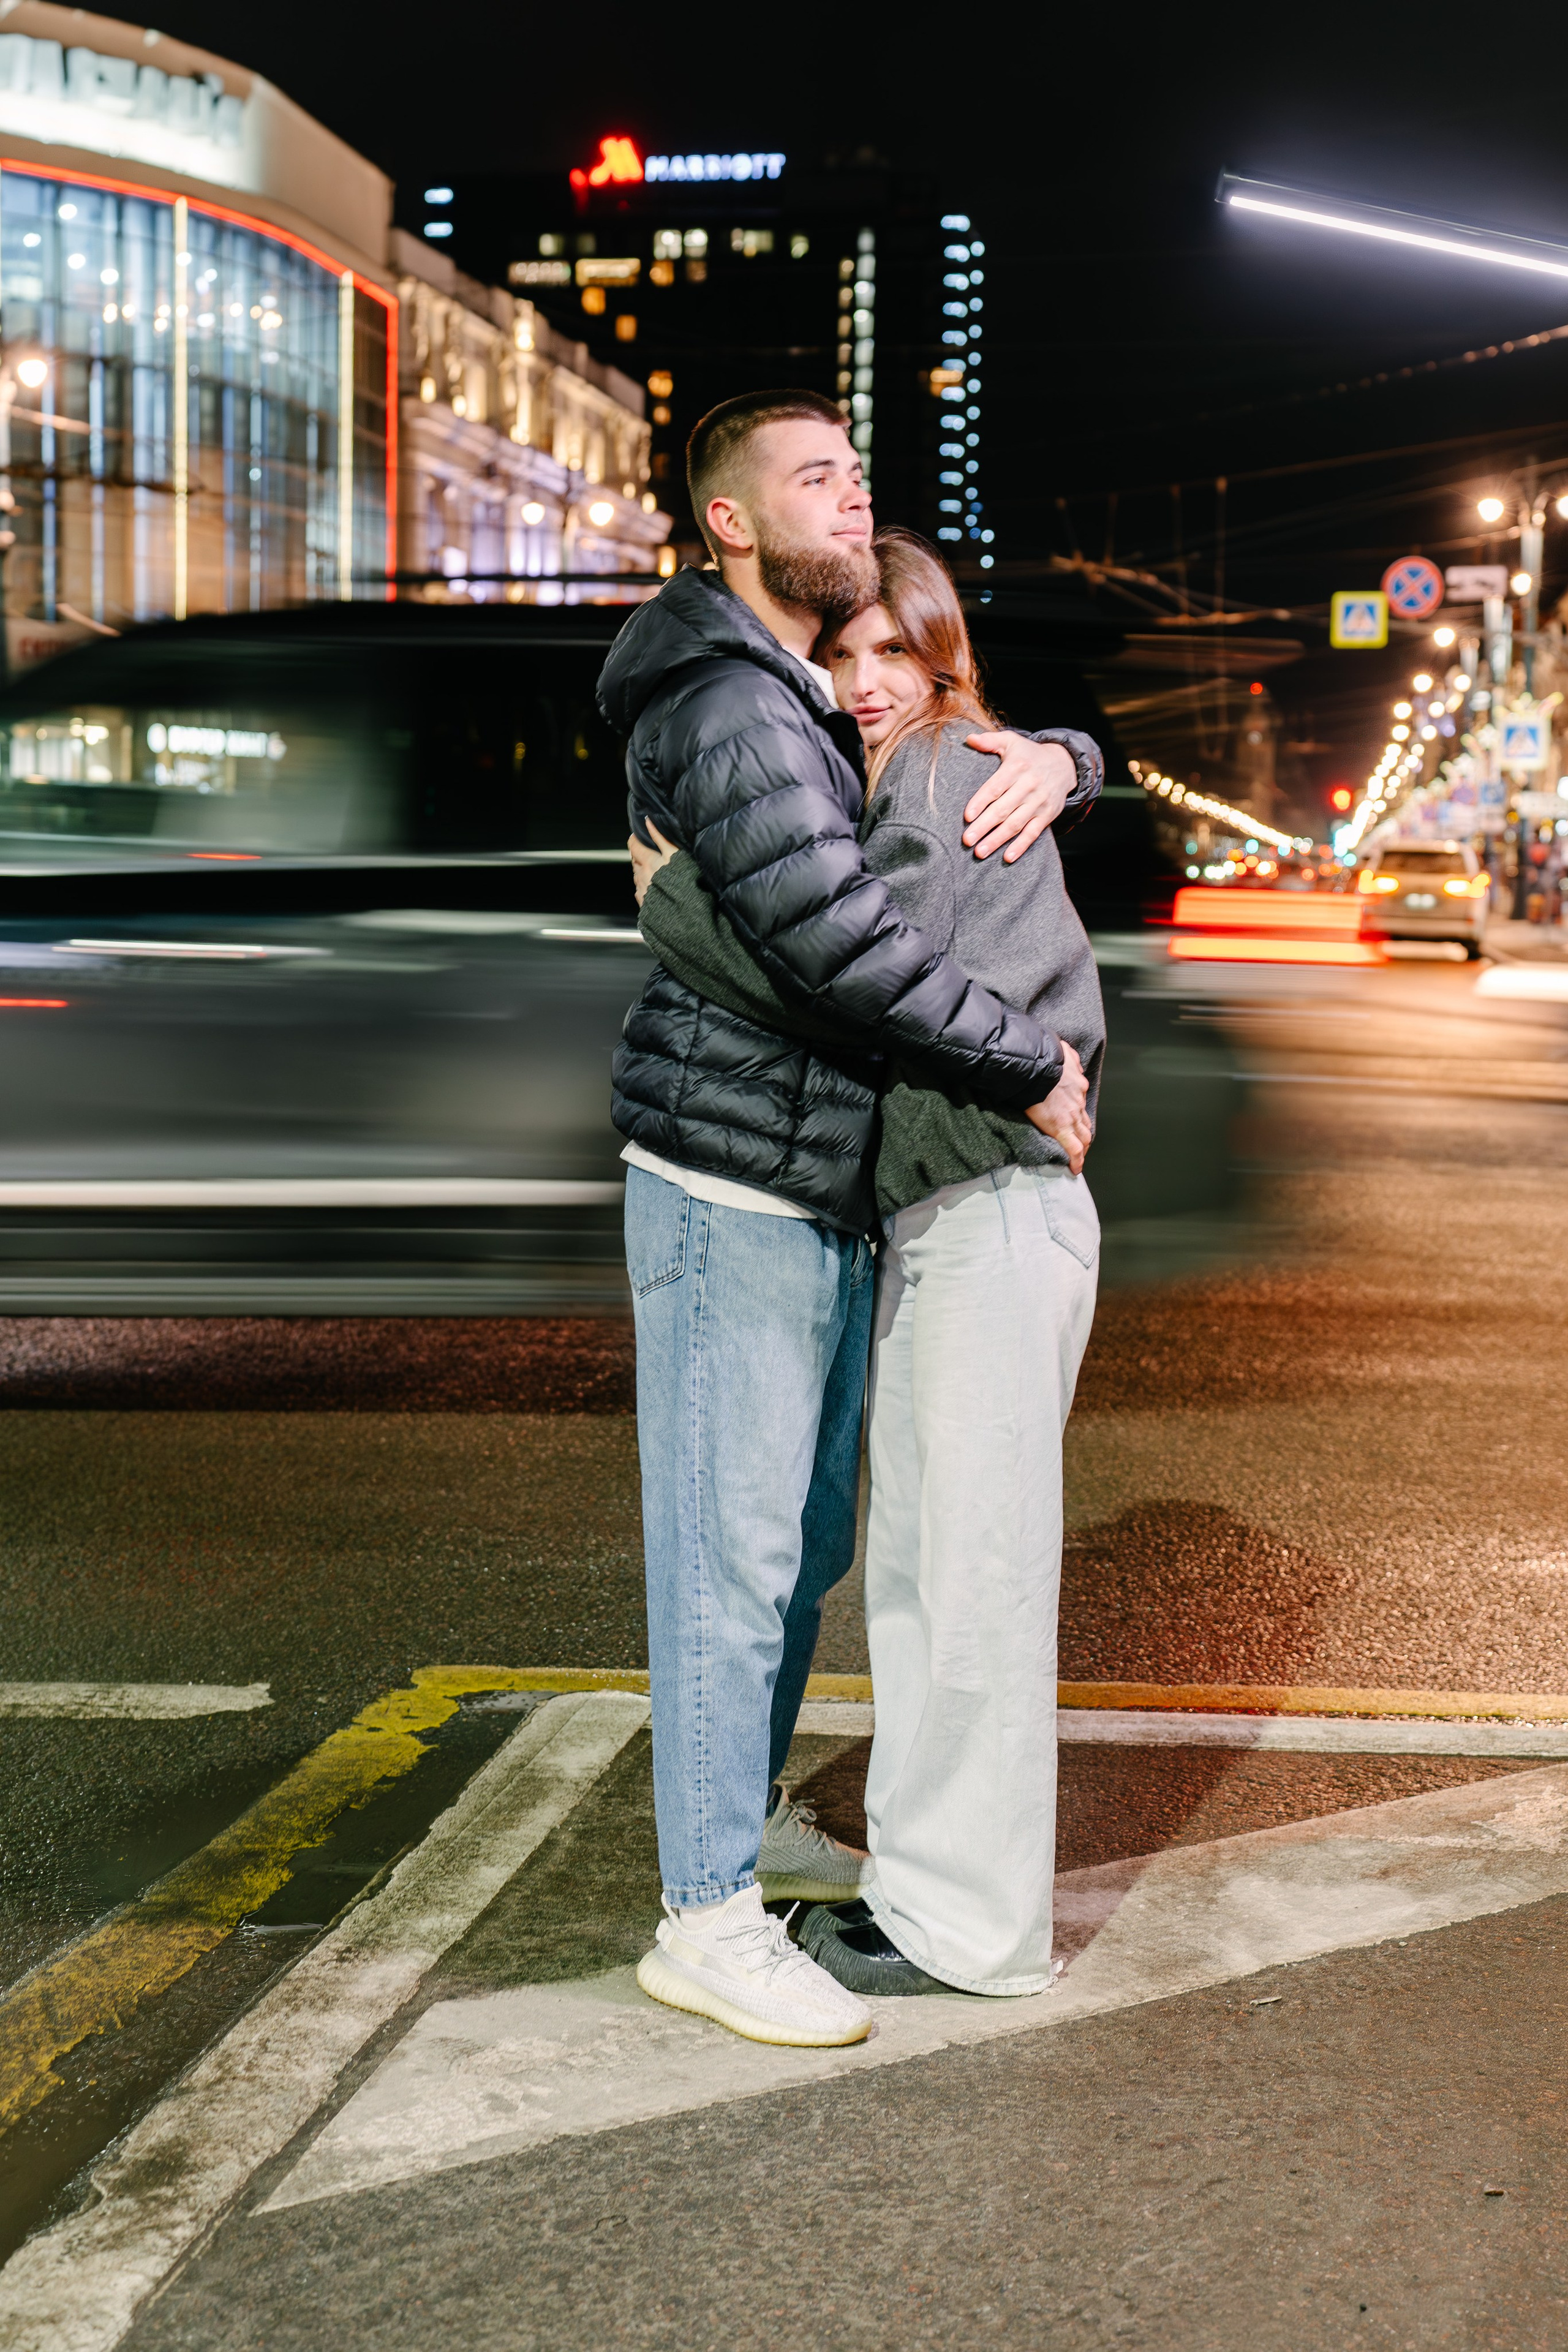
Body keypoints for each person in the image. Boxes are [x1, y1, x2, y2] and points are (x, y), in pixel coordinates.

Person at [597, 390, 1100, 2050]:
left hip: (922, 1201)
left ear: (943, 668)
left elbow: (861, 936)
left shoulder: (920, 767)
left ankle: (874, 1893)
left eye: (907, 652)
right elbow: (841, 953)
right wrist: (1031, 1057)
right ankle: (711, 1906)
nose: (873, 676)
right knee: (772, 1556)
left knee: (880, 1559)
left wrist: (1061, 757)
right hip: (783, 1184)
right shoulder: (756, 718)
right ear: (733, 521)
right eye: (814, 479)